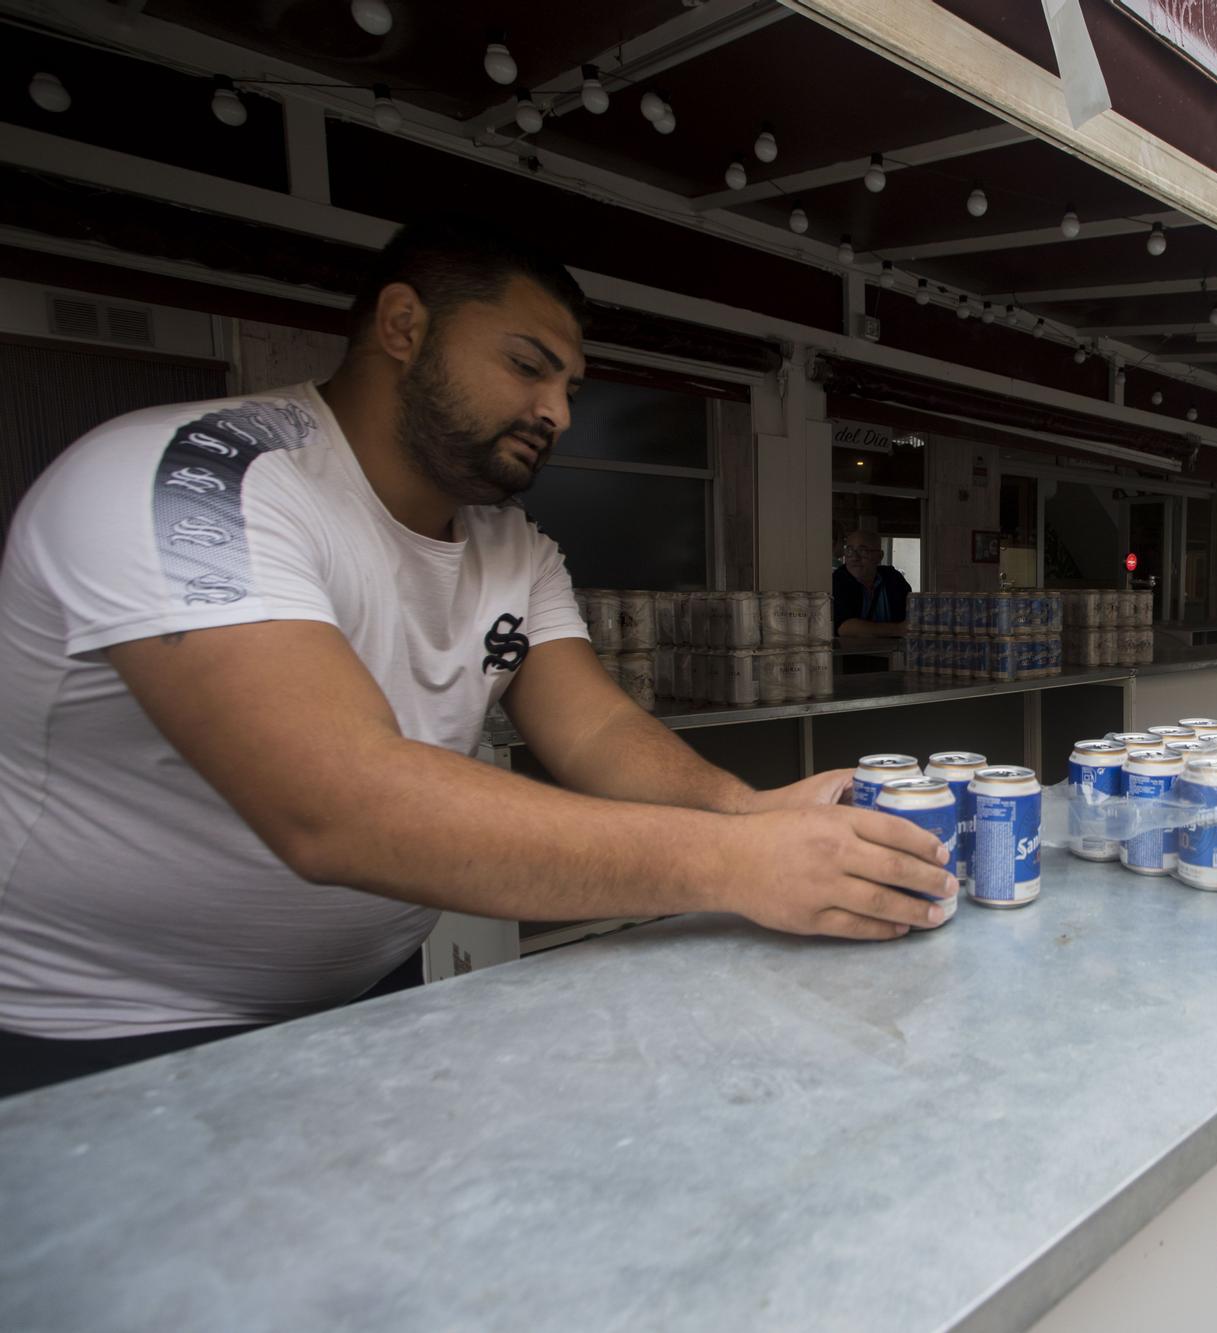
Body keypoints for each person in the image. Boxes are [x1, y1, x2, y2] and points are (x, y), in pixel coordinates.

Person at [0, 216, 955, 1097]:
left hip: (372, 999)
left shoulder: (510, 543)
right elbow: (334, 806)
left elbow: (595, 728)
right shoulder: (195, 482)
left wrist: (748, 811)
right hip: (106, 1032)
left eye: (570, 389)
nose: (559, 412)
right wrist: (733, 860)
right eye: (527, 366)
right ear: (405, 326)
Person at [831, 529, 911, 638]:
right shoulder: (838, 580)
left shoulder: (893, 578)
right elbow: (844, 628)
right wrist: (897, 629)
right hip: (852, 653)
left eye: (863, 551)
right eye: (849, 550)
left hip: (893, 652)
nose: (854, 558)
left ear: (879, 556)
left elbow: (913, 615)